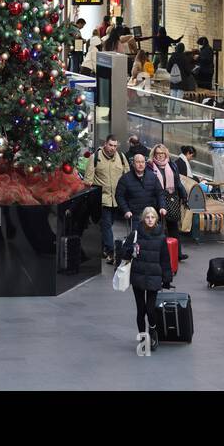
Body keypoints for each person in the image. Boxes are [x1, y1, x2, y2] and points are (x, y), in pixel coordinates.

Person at [123, 207, 172, 350]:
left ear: (156, 219)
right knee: (140, 310)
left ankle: (153, 331)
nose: (150, 220)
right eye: (147, 217)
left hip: (154, 277)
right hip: (138, 276)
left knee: (150, 309)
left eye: (152, 217)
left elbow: (165, 259)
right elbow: (123, 253)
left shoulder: (161, 237)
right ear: (143, 219)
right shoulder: (135, 234)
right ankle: (143, 337)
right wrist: (130, 250)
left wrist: (167, 278)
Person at [85, 136, 127, 264]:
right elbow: (88, 180)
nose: (113, 148)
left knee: (108, 225)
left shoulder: (121, 157)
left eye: (115, 146)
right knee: (106, 225)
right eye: (110, 145)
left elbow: (127, 176)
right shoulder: (95, 157)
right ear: (105, 144)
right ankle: (111, 251)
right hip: (102, 199)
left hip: (117, 199)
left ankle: (103, 248)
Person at [149, 144, 188, 260]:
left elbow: (177, 182)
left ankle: (177, 254)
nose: (160, 156)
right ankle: (161, 253)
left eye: (162, 154)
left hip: (171, 198)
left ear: (166, 154)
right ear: (154, 154)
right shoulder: (150, 166)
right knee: (158, 227)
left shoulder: (172, 165)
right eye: (157, 154)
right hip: (156, 199)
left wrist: (184, 195)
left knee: (173, 227)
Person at [114, 153, 167, 232]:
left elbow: (160, 193)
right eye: (138, 162)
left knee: (153, 239)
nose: (140, 164)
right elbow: (119, 196)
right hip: (134, 216)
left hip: (150, 215)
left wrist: (162, 207)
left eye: (142, 162)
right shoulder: (125, 179)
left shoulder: (152, 177)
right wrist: (126, 210)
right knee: (137, 240)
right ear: (133, 164)